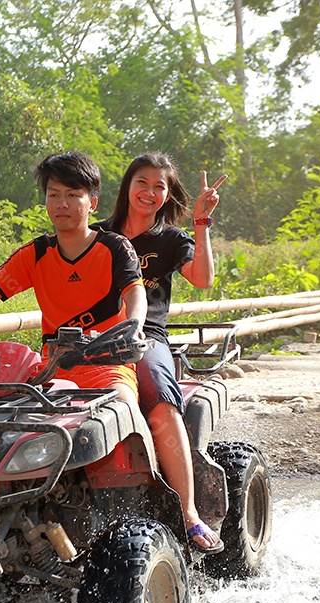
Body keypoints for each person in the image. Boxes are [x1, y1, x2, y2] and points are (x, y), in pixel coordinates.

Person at [0, 150, 147, 412]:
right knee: (7, 425)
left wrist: (134, 325)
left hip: (108, 367)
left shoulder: (115, 247)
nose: (62, 203)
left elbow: (135, 292)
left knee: (121, 412)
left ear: (92, 203)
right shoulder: (36, 255)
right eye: (54, 194)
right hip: (49, 372)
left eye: (73, 195)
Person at [93, 152, 226, 552]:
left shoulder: (168, 238)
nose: (149, 192)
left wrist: (200, 221)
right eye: (142, 182)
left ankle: (189, 513)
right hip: (91, 337)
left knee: (158, 395)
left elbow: (201, 279)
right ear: (127, 187)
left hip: (145, 336)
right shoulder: (97, 235)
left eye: (159, 186)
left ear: (167, 195)